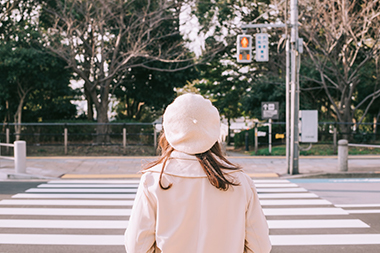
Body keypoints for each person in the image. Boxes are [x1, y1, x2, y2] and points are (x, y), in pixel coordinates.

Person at [124, 93, 271, 253]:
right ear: (214, 132)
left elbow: (136, 247)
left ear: (168, 132)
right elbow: (260, 246)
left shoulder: (154, 180)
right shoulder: (239, 181)